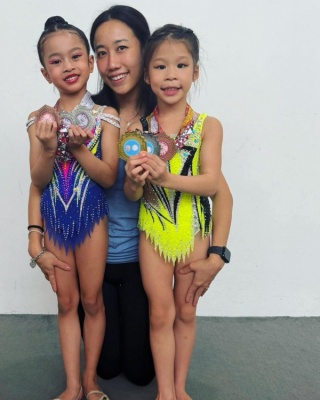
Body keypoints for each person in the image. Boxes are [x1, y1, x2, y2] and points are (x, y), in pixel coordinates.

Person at [28, 4, 233, 391]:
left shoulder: (169, 119)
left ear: (145, 49)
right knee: (106, 368)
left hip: (144, 260)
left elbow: (219, 192)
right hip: (91, 259)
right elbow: (43, 179)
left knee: (140, 372)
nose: (112, 63)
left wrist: (217, 255)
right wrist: (35, 240)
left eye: (122, 48)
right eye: (101, 52)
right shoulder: (87, 114)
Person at [123, 24, 223, 400]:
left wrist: (165, 177)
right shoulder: (138, 130)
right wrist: (134, 181)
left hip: (194, 231)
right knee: (160, 313)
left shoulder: (207, 127)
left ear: (194, 72)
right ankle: (164, 392)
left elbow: (210, 184)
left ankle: (180, 388)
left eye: (181, 66)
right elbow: (132, 194)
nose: (171, 75)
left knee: (186, 310)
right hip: (152, 230)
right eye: (160, 67)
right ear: (147, 76)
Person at [26, 15, 119, 400]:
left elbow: (108, 177)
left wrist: (79, 149)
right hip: (55, 221)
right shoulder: (39, 120)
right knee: (66, 302)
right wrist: (50, 147)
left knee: (92, 300)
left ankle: (91, 380)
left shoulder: (106, 116)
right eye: (56, 60)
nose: (68, 66)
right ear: (45, 72)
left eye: (76, 56)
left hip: (92, 219)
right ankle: (72, 384)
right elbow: (38, 180)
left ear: (91, 62)